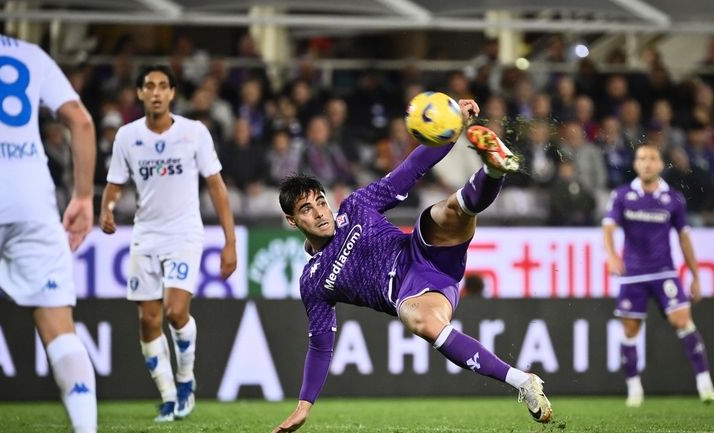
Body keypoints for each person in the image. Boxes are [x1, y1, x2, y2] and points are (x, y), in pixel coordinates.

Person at [271, 101, 552, 433]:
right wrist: (304, 406)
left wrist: (455, 125)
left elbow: (411, 169)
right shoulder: (313, 281)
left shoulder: (356, 206)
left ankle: (494, 168)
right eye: (307, 209)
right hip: (417, 291)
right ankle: (523, 381)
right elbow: (320, 343)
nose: (319, 212)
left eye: (320, 201)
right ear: (292, 220)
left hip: (422, 249)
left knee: (448, 211)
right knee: (419, 320)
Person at [0, 1, 97, 432]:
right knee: (58, 327)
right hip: (32, 196)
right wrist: (84, 197)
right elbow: (81, 122)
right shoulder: (28, 54)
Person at [99, 65, 237, 422]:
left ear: (173, 93)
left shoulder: (194, 133)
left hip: (184, 234)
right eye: (149, 86)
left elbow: (217, 187)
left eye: (163, 86)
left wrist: (229, 242)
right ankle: (167, 395)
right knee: (148, 319)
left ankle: (185, 379)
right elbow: (115, 182)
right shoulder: (127, 137)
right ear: (140, 93)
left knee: (175, 311)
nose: (156, 92)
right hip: (145, 235)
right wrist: (107, 209)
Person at [603, 142, 714, 407]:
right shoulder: (622, 195)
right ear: (635, 164)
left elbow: (685, 239)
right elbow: (608, 228)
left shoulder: (673, 198)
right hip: (633, 274)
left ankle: (704, 383)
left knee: (683, 321)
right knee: (630, 331)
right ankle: (634, 389)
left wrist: (696, 276)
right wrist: (611, 255)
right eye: (642, 158)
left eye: (652, 158)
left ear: (660, 164)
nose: (647, 163)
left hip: (664, 272)